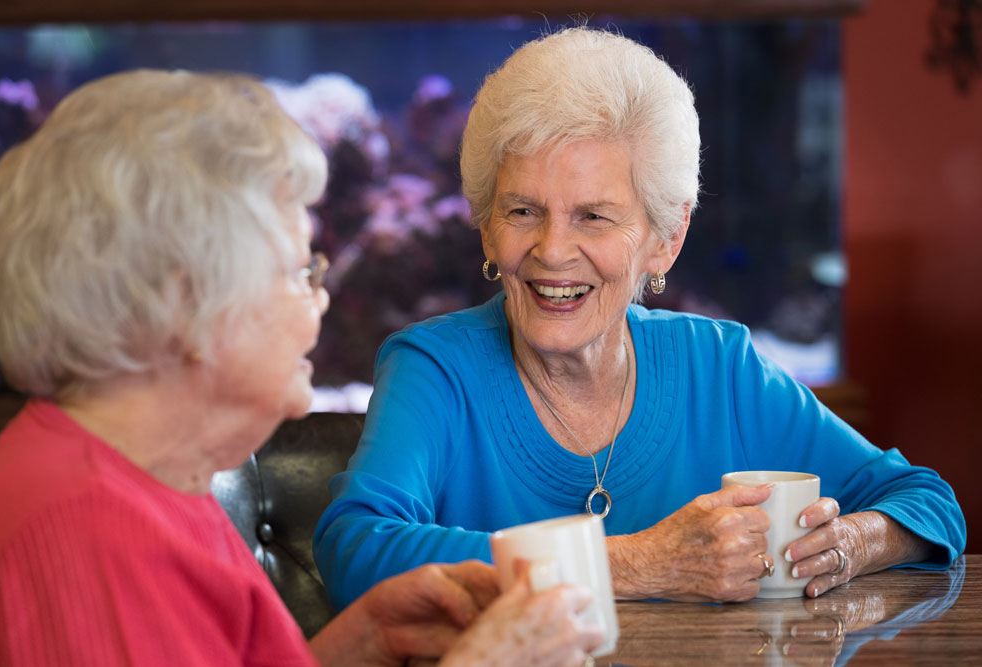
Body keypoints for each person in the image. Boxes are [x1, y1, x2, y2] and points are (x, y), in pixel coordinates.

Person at [314, 27, 966, 610]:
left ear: (666, 238)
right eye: (521, 211)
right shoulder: (435, 368)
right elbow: (356, 550)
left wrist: (849, 541)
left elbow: (927, 501)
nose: (551, 250)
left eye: (592, 216)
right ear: (487, 230)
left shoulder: (718, 366)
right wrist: (638, 561)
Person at [0, 69, 603, 666]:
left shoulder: (155, 478)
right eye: (302, 270)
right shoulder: (89, 534)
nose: (322, 297)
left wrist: (358, 645)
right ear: (188, 308)